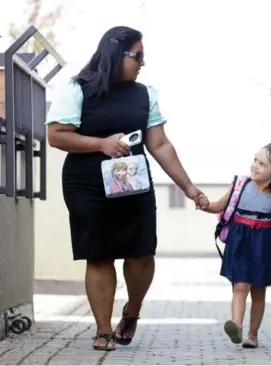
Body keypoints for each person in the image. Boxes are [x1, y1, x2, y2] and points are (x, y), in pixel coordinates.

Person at [45, 26, 209, 351]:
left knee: (142, 254)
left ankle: (132, 312)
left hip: (133, 184)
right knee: (99, 255)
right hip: (87, 185)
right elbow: (57, 135)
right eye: (138, 56)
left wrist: (189, 188)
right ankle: (103, 329)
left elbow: (160, 145)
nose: (142, 63)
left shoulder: (145, 94)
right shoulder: (76, 88)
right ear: (117, 54)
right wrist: (100, 144)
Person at [200, 143, 271, 348]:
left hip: (265, 243)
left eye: (262, 164)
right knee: (240, 286)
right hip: (241, 240)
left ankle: (252, 335)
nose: (255, 166)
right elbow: (219, 205)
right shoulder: (240, 185)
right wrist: (204, 204)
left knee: (258, 291)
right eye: (255, 160)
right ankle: (236, 327)